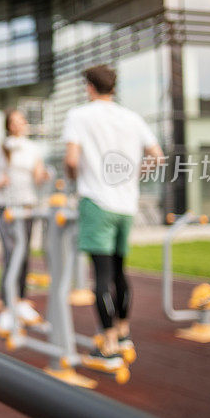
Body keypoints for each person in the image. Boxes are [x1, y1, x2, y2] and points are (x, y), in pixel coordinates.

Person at [62, 64, 163, 362]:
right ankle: (123, 333)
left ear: (89, 87)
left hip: (96, 201)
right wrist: (135, 176)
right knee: (120, 271)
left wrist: (75, 177)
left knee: (102, 276)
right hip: (126, 204)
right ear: (114, 88)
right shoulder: (132, 117)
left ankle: (108, 344)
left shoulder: (79, 115)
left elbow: (71, 159)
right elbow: (156, 156)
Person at [0, 109, 50, 336]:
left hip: (27, 207)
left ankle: (19, 300)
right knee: (11, 253)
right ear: (9, 125)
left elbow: (38, 177)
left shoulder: (33, 149)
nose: (20, 124)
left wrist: (46, 176)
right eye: (15, 121)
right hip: (6, 208)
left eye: (22, 121)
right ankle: (8, 302)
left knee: (25, 253)